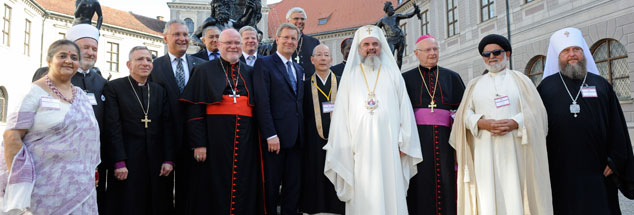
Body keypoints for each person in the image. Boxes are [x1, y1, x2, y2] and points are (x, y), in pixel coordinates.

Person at [449, 34, 553, 215]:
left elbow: (537, 113)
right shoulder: (474, 85)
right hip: (484, 151)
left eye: (496, 52)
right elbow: (463, 116)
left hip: (516, 150)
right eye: (486, 54)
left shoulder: (521, 81)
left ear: (508, 54)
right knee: (487, 196)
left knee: (516, 193)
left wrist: (515, 122)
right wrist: (481, 123)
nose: (491, 57)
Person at [323, 25, 422, 214]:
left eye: (375, 44)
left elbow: (405, 110)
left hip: (390, 146)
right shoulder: (350, 76)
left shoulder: (393, 74)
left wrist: (405, 141)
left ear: (381, 47)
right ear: (359, 49)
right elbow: (341, 114)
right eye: (366, 44)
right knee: (363, 191)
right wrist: (343, 145)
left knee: (390, 189)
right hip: (358, 148)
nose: (371, 48)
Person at [537, 27, 634, 215]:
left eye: (576, 49)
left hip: (598, 170)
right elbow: (537, 128)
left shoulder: (600, 84)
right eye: (566, 51)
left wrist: (615, 161)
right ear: (558, 55)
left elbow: (617, 126)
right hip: (560, 171)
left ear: (583, 52)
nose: (572, 55)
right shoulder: (545, 88)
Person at [1, 40, 100, 214]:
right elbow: (11, 137)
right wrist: (20, 184)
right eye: (62, 56)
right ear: (49, 60)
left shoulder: (82, 97)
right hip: (41, 190)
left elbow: (89, 139)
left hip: (80, 189)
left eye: (74, 57)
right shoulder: (34, 93)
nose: (69, 61)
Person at [180, 28, 265, 214]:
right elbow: (195, 110)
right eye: (228, 43)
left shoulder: (251, 72)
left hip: (245, 142)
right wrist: (198, 144)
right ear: (219, 45)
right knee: (212, 188)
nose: (233, 47)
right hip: (214, 141)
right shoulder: (203, 70)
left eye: (236, 43)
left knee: (244, 184)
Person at [30, 23, 109, 213]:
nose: (90, 52)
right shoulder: (48, 76)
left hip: (91, 164)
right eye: (85, 47)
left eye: (94, 49)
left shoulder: (102, 83)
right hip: (54, 164)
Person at [102, 46, 174, 215]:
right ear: (129, 64)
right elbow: (113, 127)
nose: (145, 63)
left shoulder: (159, 90)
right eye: (139, 59)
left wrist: (168, 159)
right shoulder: (114, 88)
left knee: (155, 204)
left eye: (149, 60)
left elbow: (167, 126)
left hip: (156, 161)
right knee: (128, 204)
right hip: (128, 161)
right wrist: (119, 161)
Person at [402, 34, 465, 215]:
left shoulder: (452, 77)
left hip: (447, 142)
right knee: (420, 183)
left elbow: (463, 110)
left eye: (435, 49)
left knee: (447, 181)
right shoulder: (405, 79)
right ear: (416, 53)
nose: (432, 53)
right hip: (417, 142)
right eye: (428, 50)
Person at [149, 19, 205, 212]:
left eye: (185, 34)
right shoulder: (154, 67)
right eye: (177, 35)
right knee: (162, 193)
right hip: (163, 140)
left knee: (191, 194)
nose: (182, 38)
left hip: (194, 141)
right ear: (165, 38)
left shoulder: (201, 65)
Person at [253, 23, 305, 215]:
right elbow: (262, 102)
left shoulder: (299, 69)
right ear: (277, 39)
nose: (290, 41)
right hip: (275, 139)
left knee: (293, 188)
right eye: (286, 37)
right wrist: (270, 134)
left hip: (297, 139)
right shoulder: (264, 64)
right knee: (271, 188)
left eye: (293, 38)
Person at [299, 44, 345, 215]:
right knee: (314, 170)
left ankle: (336, 205)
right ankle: (315, 206)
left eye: (326, 55)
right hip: (313, 136)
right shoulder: (304, 85)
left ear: (332, 59)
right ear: (312, 59)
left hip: (338, 136)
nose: (323, 58)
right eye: (319, 55)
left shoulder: (342, 82)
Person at [270, 7, 320, 77]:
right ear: (288, 21)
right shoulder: (280, 42)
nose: (300, 21)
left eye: (302, 19)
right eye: (296, 18)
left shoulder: (314, 42)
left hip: (309, 85)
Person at [376, 1, 420, 68]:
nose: (393, 9)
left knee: (400, 56)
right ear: (387, 9)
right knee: (390, 56)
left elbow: (407, 15)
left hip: (400, 38)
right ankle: (390, 70)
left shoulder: (396, 16)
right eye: (391, 8)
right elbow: (376, 30)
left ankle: (398, 72)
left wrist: (414, 12)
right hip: (391, 40)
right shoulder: (382, 20)